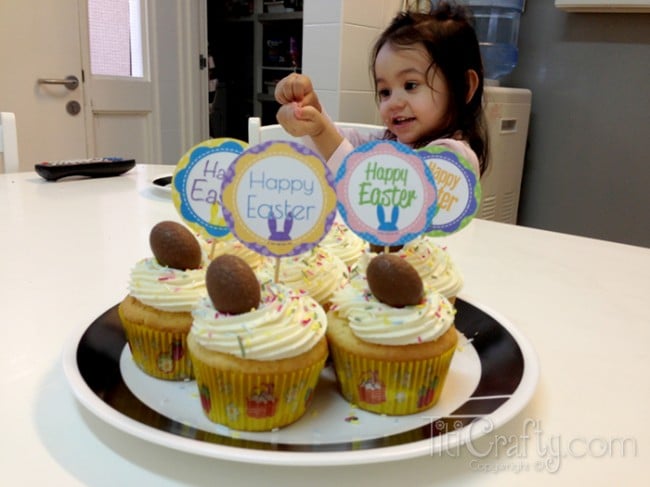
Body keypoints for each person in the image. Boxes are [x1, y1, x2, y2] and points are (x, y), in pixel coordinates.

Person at [274, 1, 488, 177]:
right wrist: (311, 110)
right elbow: (344, 142)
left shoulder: (452, 158)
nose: (394, 102)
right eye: (385, 91)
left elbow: (372, 193)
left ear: (464, 88)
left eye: (410, 85)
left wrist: (321, 131)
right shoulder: (392, 142)